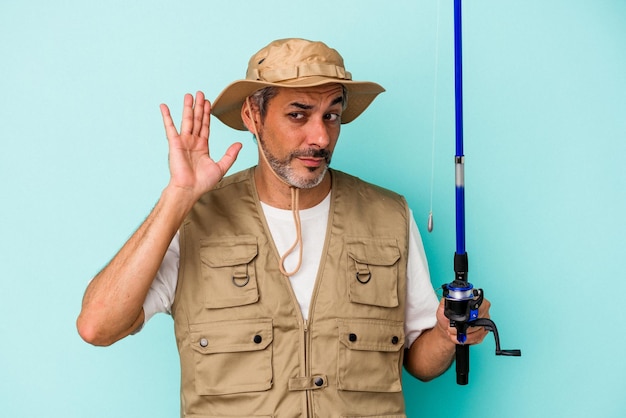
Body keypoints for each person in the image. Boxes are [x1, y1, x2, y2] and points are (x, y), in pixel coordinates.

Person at [77, 38, 490, 417]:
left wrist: (445, 332)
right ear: (252, 115)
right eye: (299, 114)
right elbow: (98, 327)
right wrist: (177, 198)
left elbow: (419, 362)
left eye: (332, 115)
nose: (320, 137)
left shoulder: (389, 215)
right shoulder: (193, 220)